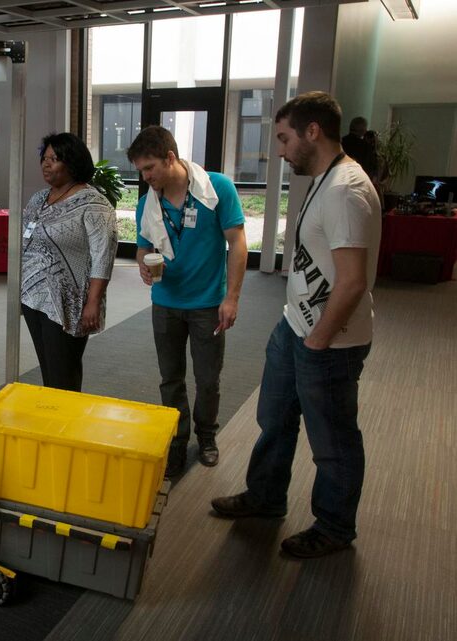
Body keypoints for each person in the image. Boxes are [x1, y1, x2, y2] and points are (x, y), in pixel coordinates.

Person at [212, 92, 381, 559]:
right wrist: (298, 333)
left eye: (285, 138)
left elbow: (351, 284)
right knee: (275, 419)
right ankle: (265, 497)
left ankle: (334, 526)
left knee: (333, 440)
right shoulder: (326, 180)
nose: (281, 151)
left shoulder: (346, 189)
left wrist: (317, 342)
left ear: (313, 131)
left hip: (329, 341)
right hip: (296, 327)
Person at [128, 125, 247, 475]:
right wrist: (144, 267)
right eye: (141, 171)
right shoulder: (147, 205)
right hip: (166, 302)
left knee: (208, 378)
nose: (146, 177)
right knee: (171, 378)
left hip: (208, 304)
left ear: (170, 157)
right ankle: (177, 440)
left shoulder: (217, 188)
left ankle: (207, 436)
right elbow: (142, 249)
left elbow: (237, 244)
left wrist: (232, 297)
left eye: (150, 168)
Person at [21, 132, 117, 392]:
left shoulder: (94, 204)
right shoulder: (38, 198)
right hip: (33, 299)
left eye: (55, 158)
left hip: (69, 302)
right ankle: (52, 425)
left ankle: (67, 427)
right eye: (45, 157)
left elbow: (103, 257)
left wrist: (94, 302)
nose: (46, 164)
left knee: (64, 374)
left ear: (72, 163)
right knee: (48, 372)